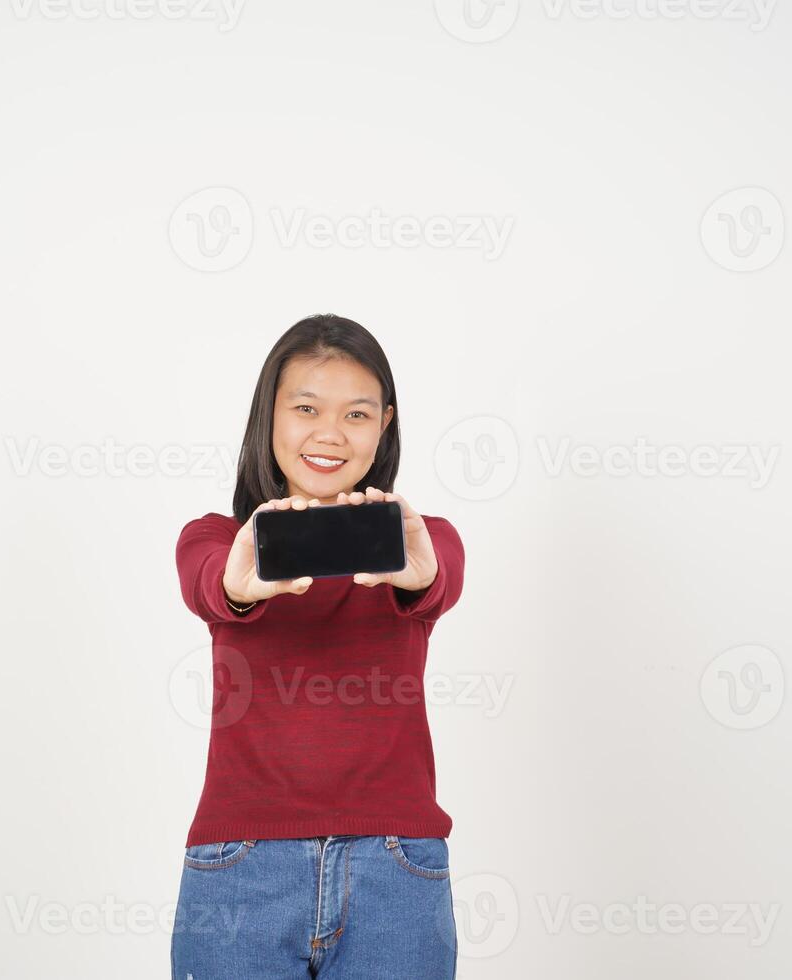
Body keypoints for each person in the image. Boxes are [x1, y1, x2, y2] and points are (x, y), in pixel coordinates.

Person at [171, 313, 466, 979]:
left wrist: (420, 575)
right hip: (240, 871)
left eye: (357, 415)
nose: (330, 433)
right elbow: (209, 583)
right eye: (306, 408)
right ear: (268, 415)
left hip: (395, 870)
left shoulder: (421, 540)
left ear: (384, 425)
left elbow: (440, 571)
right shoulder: (216, 538)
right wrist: (238, 585)